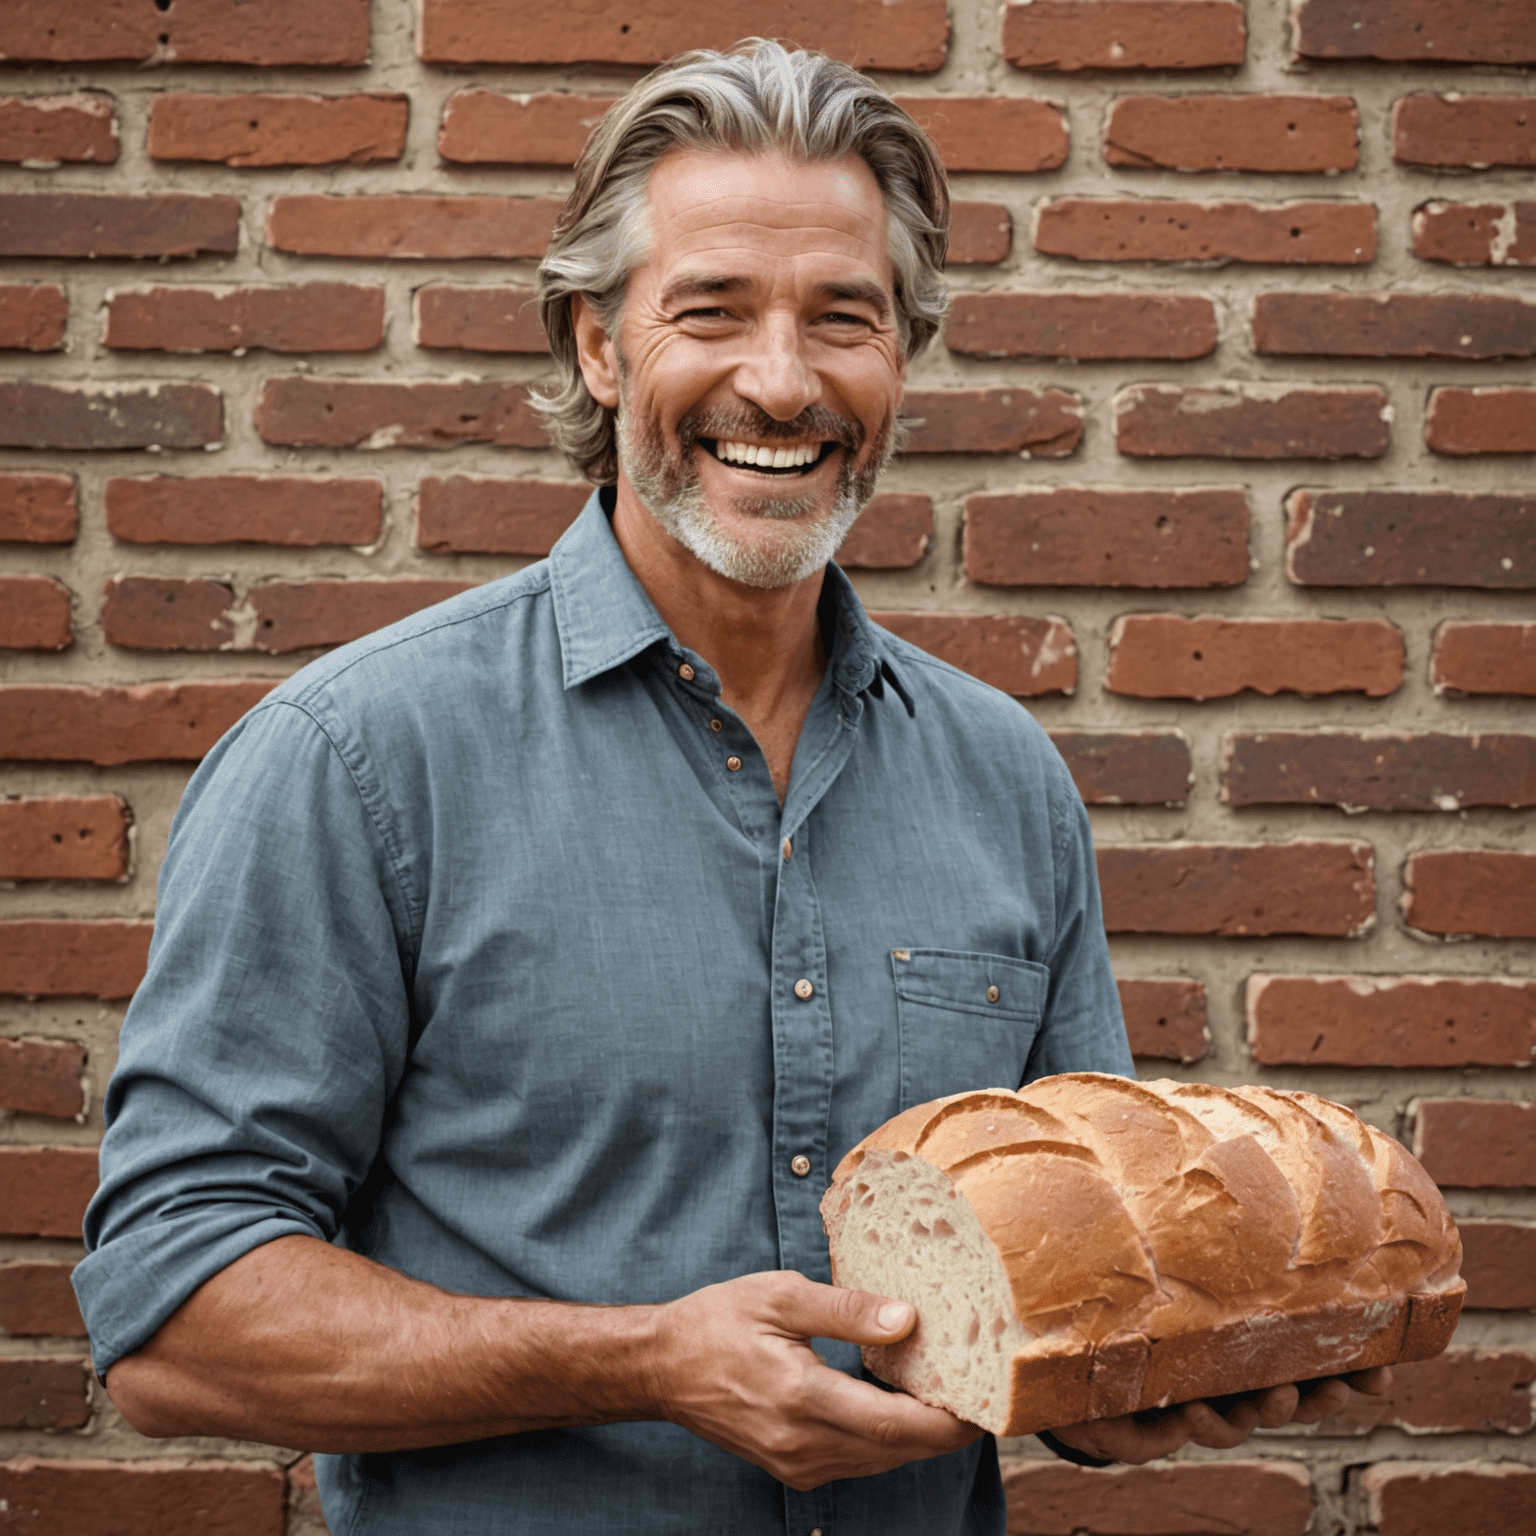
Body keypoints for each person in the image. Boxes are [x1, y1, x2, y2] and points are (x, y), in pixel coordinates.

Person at [79, 40, 1387, 1536]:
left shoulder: (1002, 776)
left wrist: (1157, 1379)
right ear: (596, 345)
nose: (782, 380)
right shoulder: (357, 759)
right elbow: (171, 1318)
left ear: (900, 357)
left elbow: (1063, 1307)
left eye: (845, 319)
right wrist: (646, 1363)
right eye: (712, 312)